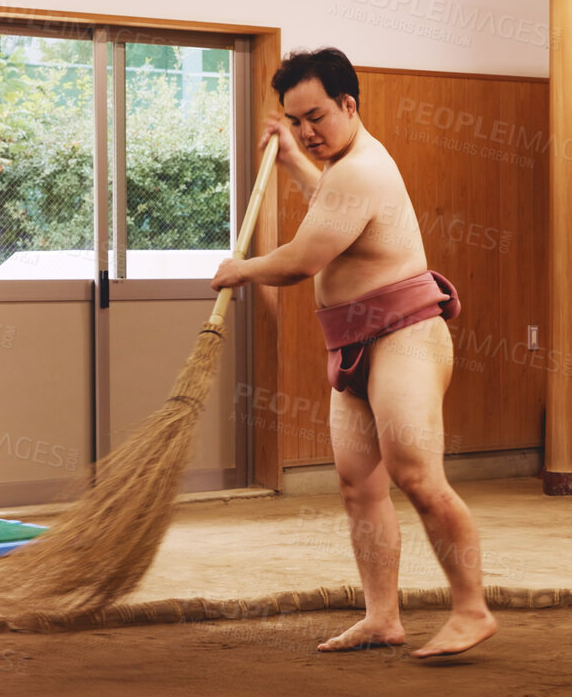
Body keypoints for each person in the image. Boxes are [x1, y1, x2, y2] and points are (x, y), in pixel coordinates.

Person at [212, 47, 497, 659]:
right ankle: (382, 617)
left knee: (416, 475)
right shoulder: (344, 171)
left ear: (349, 104)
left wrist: (241, 269)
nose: (306, 132)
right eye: (294, 122)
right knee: (357, 486)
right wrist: (292, 163)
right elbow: (334, 211)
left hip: (405, 336)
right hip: (354, 341)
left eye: (315, 117)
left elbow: (302, 260)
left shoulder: (362, 169)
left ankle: (472, 610)